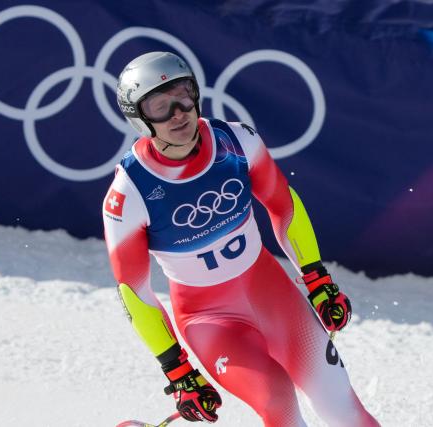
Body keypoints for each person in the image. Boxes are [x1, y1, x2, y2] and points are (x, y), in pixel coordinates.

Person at [103, 51, 380, 426]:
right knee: (278, 401)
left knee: (344, 409)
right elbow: (134, 293)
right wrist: (178, 371)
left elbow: (285, 206)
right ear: (139, 118)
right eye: (159, 106)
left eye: (183, 95)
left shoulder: (236, 140)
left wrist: (316, 278)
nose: (178, 113)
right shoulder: (128, 194)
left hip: (274, 297)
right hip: (211, 321)